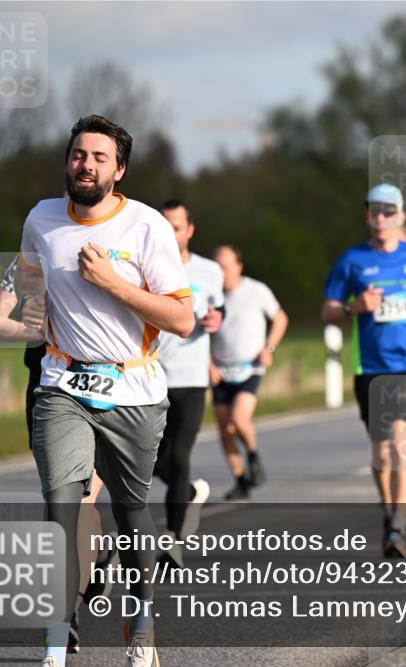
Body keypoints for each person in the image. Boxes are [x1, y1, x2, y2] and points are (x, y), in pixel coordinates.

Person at [19, 115, 194, 667]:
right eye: (79, 154)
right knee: (61, 507)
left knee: (131, 511)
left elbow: (182, 319)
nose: (86, 165)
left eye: (99, 158)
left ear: (119, 170)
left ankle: (141, 623)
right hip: (62, 384)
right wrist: (27, 309)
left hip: (133, 388)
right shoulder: (41, 218)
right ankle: (56, 635)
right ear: (67, 161)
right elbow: (27, 283)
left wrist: (113, 284)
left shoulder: (145, 226)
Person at [0, 256, 117, 656]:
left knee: (82, 500)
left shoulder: (111, 246)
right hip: (47, 389)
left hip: (104, 386)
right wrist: (34, 328)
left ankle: (66, 614)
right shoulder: (28, 258)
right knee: (62, 503)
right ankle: (91, 566)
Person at [322, 183, 406, 558]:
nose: (381, 218)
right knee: (381, 452)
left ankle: (398, 525)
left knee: (401, 441)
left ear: (401, 216)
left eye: (388, 211)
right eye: (374, 211)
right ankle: (388, 511)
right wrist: (354, 308)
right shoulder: (351, 260)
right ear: (367, 216)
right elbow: (328, 310)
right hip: (370, 366)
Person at [154, 200, 225, 555]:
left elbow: (218, 308)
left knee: (180, 457)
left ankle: (173, 539)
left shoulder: (209, 271)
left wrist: (216, 319)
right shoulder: (146, 265)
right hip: (152, 378)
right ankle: (190, 491)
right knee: (149, 460)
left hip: (192, 378)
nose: (170, 233)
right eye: (164, 226)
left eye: (177, 227)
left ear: (190, 230)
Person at [211, 244, 289, 499]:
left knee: (239, 420)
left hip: (250, 367)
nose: (221, 272)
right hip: (221, 370)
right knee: (225, 430)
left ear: (239, 266)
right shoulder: (211, 295)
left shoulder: (256, 290)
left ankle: (253, 458)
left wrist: (269, 348)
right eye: (217, 267)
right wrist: (208, 364)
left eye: (226, 266)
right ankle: (240, 480)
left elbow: (280, 318)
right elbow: (198, 332)